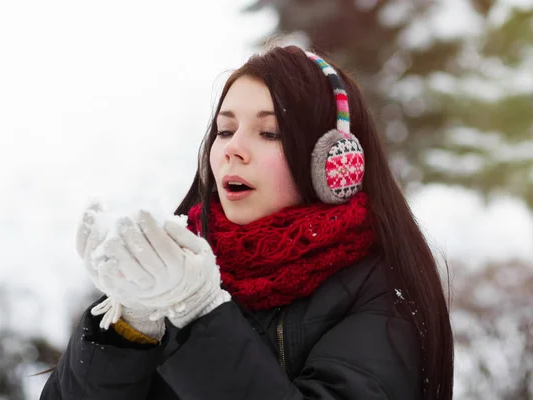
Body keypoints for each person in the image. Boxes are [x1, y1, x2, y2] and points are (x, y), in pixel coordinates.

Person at [40, 45, 454, 400]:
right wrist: (127, 326)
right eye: (224, 130)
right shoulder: (174, 266)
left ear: (332, 163)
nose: (232, 150)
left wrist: (200, 313)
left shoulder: (381, 298)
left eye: (269, 133)